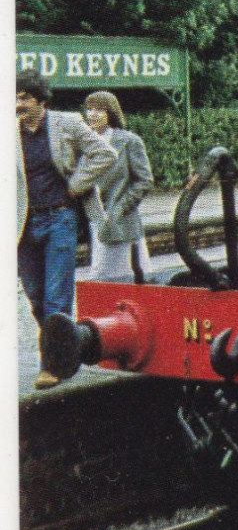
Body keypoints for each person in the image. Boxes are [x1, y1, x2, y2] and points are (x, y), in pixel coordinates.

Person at [16, 70, 115, 388]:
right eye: (13, 97)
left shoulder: (66, 123)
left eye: (24, 98)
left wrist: (76, 185)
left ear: (40, 100)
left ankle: (52, 365)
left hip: (60, 219)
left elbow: (104, 153)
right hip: (23, 225)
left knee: (56, 296)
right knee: (34, 296)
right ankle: (64, 351)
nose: (17, 104)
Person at [81, 91, 154, 283]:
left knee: (124, 281)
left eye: (99, 110)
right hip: (93, 221)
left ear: (111, 113)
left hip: (121, 223)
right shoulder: (83, 142)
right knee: (100, 282)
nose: (92, 114)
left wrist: (119, 208)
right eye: (89, 109)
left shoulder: (129, 141)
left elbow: (144, 180)